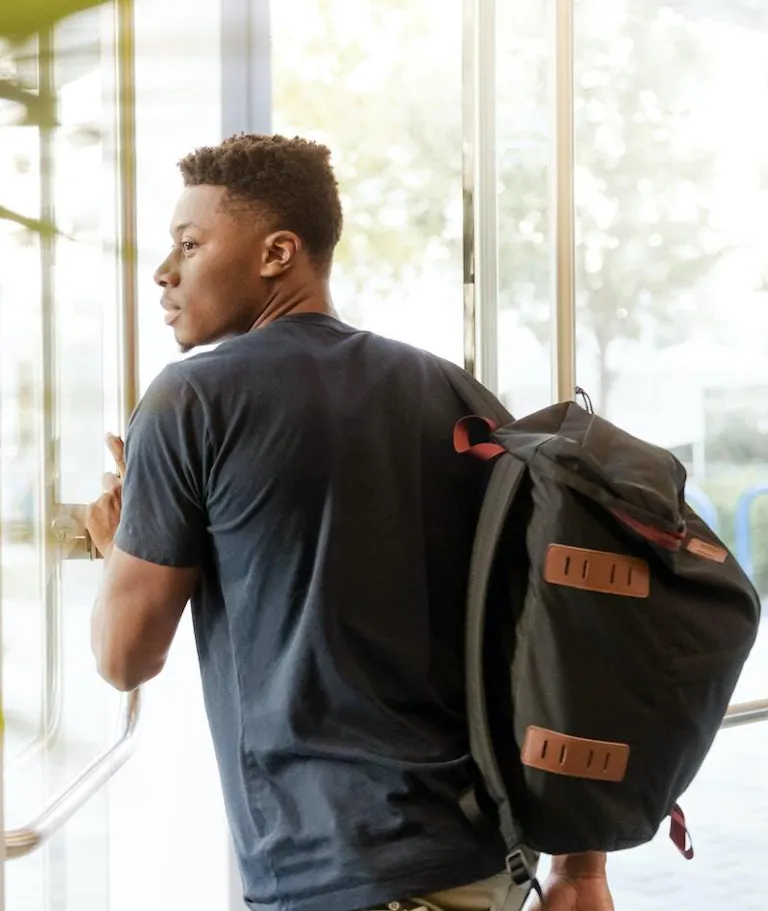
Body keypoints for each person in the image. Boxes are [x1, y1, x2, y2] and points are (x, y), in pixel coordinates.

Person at [85, 133, 614, 911]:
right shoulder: (455, 394)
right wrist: (582, 868)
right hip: (488, 862)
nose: (165, 272)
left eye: (190, 244)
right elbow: (555, 625)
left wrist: (116, 549)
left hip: (341, 874)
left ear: (278, 253)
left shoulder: (190, 402)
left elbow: (123, 658)